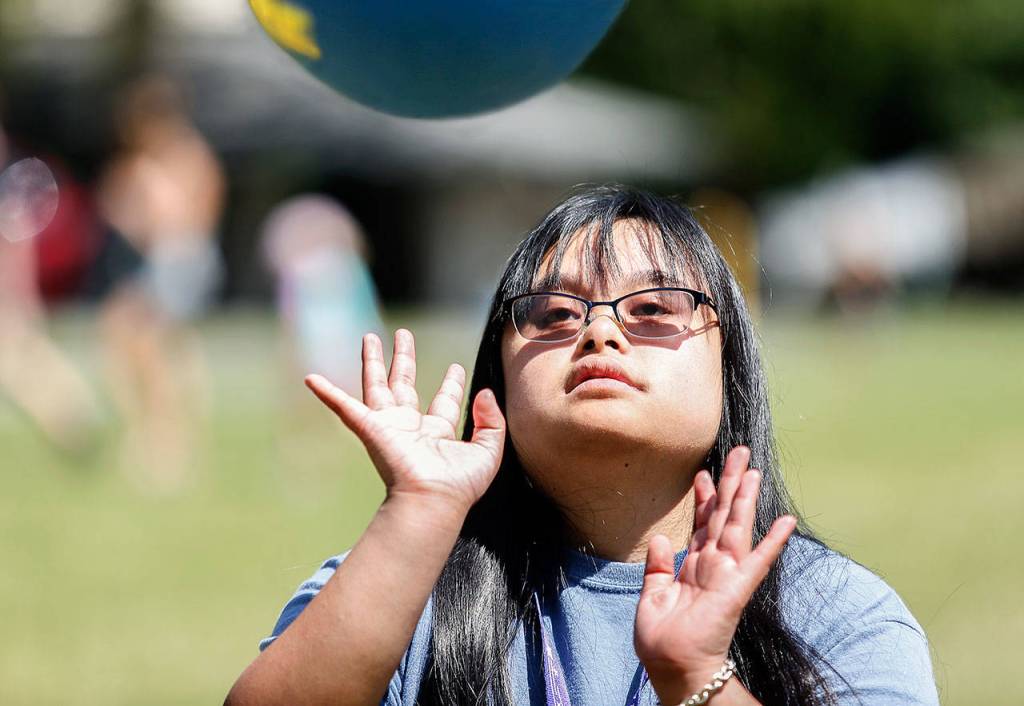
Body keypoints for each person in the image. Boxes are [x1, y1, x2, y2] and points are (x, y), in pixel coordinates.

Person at [226, 186, 939, 705]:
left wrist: (701, 680)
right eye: (554, 313)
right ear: (497, 379)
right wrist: (417, 509)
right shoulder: (399, 586)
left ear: (733, 370)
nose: (601, 334)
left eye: (655, 308)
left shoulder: (834, 612)